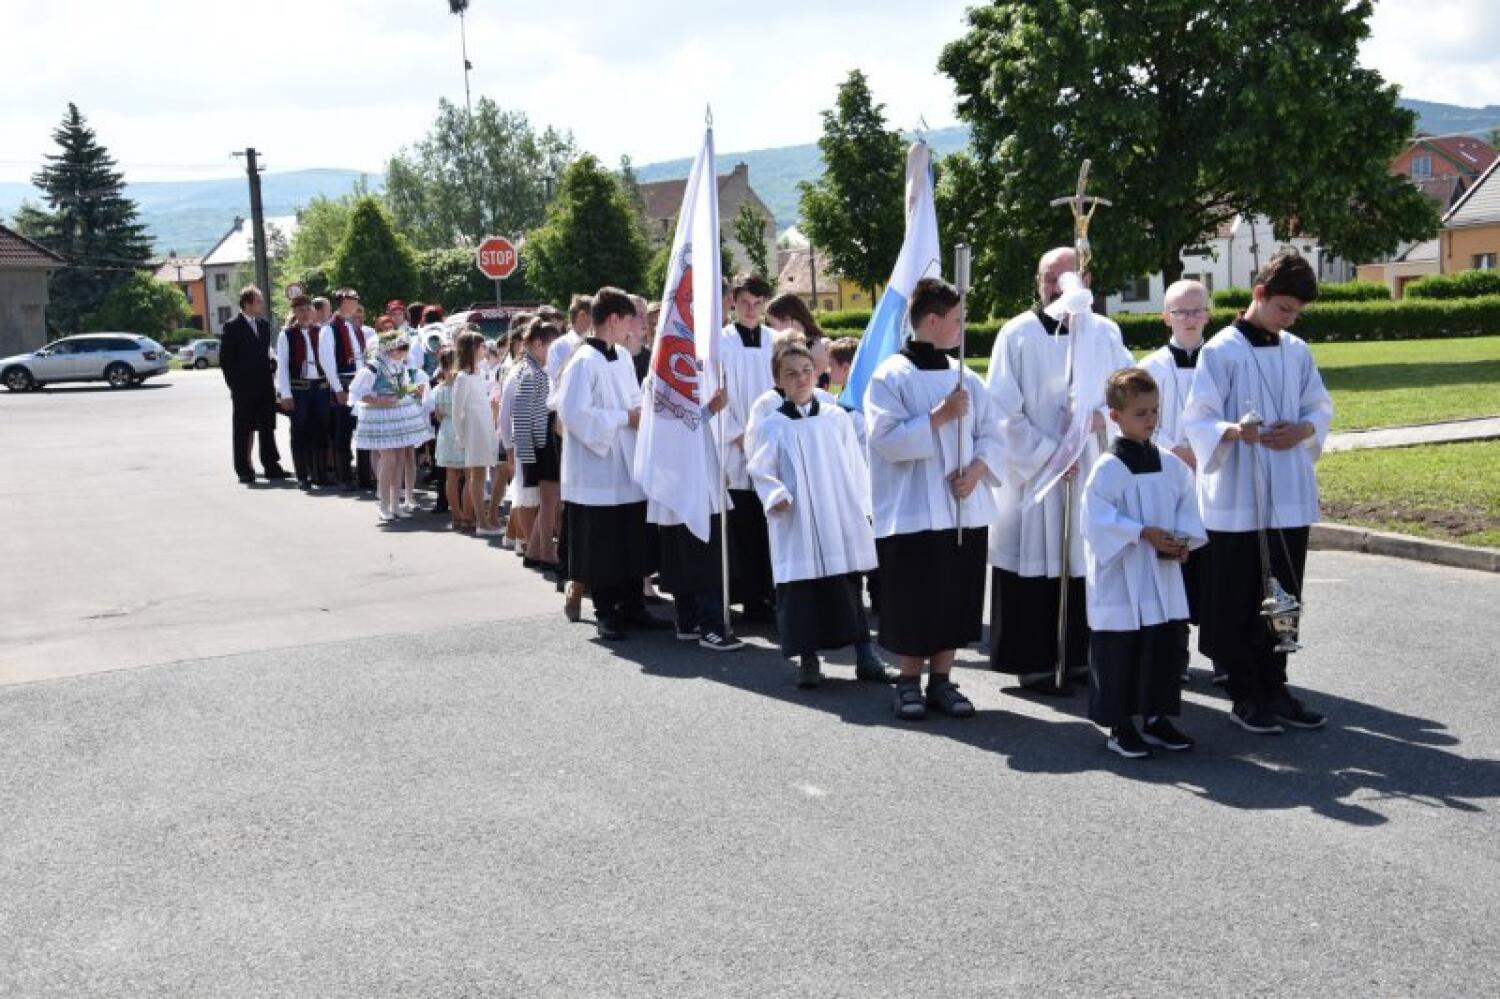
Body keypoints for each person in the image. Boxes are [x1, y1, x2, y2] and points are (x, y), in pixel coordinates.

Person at [1184, 248, 1333, 734]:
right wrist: (1231, 430)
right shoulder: (1221, 350)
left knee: (1283, 592)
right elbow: (1198, 418)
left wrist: (1304, 430)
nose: (1288, 319)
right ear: (1259, 293)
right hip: (1237, 495)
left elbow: (1319, 406)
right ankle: (1244, 691)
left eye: (1296, 313)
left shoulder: (1297, 351)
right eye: (1283, 308)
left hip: (1287, 491)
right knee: (1236, 596)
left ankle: (1276, 684)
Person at [986, 247, 1134, 693]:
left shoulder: (1105, 333)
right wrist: (1051, 454)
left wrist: (1102, 419)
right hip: (1036, 473)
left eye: (1066, 277)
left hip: (1090, 467)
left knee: (1084, 560)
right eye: (1049, 278)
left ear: (1085, 282)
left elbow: (1131, 393)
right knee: (1037, 558)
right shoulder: (1017, 333)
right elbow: (1001, 412)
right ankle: (1033, 659)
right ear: (1038, 282)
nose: (1056, 287)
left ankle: (1080, 657)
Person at [867, 278, 1006, 720]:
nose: (963, 328)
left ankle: (942, 680)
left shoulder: (966, 377)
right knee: (916, 600)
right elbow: (885, 440)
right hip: (913, 510)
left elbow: (993, 433)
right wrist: (939, 416)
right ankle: (908, 682)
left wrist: (978, 470)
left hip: (962, 509)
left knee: (954, 598)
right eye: (957, 320)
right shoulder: (891, 376)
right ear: (931, 321)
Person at [1083, 368, 1206, 758]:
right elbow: (1096, 520)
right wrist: (1140, 532)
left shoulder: (1171, 465)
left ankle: (1156, 717)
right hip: (1123, 574)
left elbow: (1187, 507)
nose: (1151, 419)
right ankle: (1119, 726)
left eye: (1155, 411)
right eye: (1140, 413)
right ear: (1115, 416)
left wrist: (1182, 542)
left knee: (1162, 645)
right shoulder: (1107, 468)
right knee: (1120, 649)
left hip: (1162, 572)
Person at [750, 344, 891, 687]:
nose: (800, 379)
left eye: (806, 371)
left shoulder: (835, 418)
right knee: (802, 593)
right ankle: (808, 660)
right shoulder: (773, 425)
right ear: (778, 382)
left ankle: (865, 656)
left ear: (817, 374)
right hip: (796, 522)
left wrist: (863, 510)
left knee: (847, 587)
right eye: (791, 374)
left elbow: (855, 465)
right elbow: (760, 468)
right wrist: (775, 494)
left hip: (836, 515)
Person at [554, 288, 666, 640]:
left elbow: (633, 399)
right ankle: (606, 612)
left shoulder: (621, 356)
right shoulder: (584, 361)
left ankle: (633, 606)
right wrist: (623, 418)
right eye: (631, 319)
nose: (636, 326)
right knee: (602, 544)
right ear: (614, 320)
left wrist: (642, 414)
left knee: (630, 538)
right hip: (596, 469)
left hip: (625, 464)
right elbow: (573, 414)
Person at [1140, 279, 1213, 683]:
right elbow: (1141, 419)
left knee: (1216, 571)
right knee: (1176, 567)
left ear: (1208, 315)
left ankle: (1223, 656)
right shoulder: (1150, 368)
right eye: (1180, 312)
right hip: (1169, 480)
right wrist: (1177, 450)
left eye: (1196, 310)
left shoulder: (1220, 361)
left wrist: (1206, 447)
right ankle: (1176, 655)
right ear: (1165, 317)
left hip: (1215, 477)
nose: (1189, 318)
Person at [717, 273, 779, 621]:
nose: (751, 310)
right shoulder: (721, 343)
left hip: (770, 443)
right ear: (733, 302)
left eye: (758, 303)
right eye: (744, 303)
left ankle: (772, 593)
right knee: (744, 527)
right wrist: (739, 436)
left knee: (771, 523)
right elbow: (717, 393)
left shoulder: (775, 341)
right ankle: (750, 598)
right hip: (735, 444)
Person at [347, 333, 432, 522]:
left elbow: (400, 389)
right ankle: (383, 505)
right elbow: (356, 392)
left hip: (397, 412)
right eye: (400, 348)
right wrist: (379, 401)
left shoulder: (399, 365)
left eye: (404, 348)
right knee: (388, 459)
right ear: (389, 348)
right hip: (380, 415)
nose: (403, 352)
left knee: (400, 458)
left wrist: (411, 389)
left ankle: (395, 505)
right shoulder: (373, 367)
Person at [219, 285, 287, 484]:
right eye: (258, 301)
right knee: (243, 429)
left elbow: (266, 352)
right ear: (247, 304)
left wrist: (272, 364)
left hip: (265, 386)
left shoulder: (264, 325)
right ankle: (244, 469)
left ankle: (271, 466)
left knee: (267, 427)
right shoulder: (232, 326)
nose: (261, 305)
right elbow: (226, 360)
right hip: (244, 389)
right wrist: (235, 386)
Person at [275, 295, 339, 490]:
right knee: (299, 432)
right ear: (294, 312)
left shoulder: (321, 331)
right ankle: (302, 476)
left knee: (321, 430)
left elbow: (330, 361)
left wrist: (335, 388)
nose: (305, 313)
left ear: (313, 311)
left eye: (308, 309)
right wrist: (285, 394)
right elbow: (282, 366)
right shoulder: (286, 335)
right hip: (299, 389)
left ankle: (320, 474)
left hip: (320, 388)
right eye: (300, 310)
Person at [514, 321, 564, 572]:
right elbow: (521, 416)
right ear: (537, 344)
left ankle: (534, 551)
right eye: (551, 346)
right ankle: (547, 553)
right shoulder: (532, 374)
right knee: (549, 502)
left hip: (542, 442)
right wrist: (527, 453)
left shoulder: (535, 370)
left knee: (549, 500)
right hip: (542, 444)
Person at [453, 330, 502, 536]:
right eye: (482, 346)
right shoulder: (462, 377)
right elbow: (457, 412)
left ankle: (483, 520)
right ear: (473, 348)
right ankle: (481, 522)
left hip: (484, 427)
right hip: (473, 430)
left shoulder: (480, 373)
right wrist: (461, 437)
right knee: (477, 474)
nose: (485, 349)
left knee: (481, 474)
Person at [323, 287, 374, 491]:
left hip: (360, 384)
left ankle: (365, 477)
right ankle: (344, 477)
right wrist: (337, 389)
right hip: (344, 384)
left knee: (363, 432)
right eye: (353, 300)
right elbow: (327, 362)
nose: (356, 304)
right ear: (343, 302)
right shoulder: (329, 328)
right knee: (343, 433)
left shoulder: (353, 326)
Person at [430, 346, 470, 530]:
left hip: (446, 430)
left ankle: (456, 516)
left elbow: (438, 416)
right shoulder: (462, 385)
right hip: (462, 429)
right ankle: (467, 515)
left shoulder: (438, 389)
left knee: (451, 476)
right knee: (469, 475)